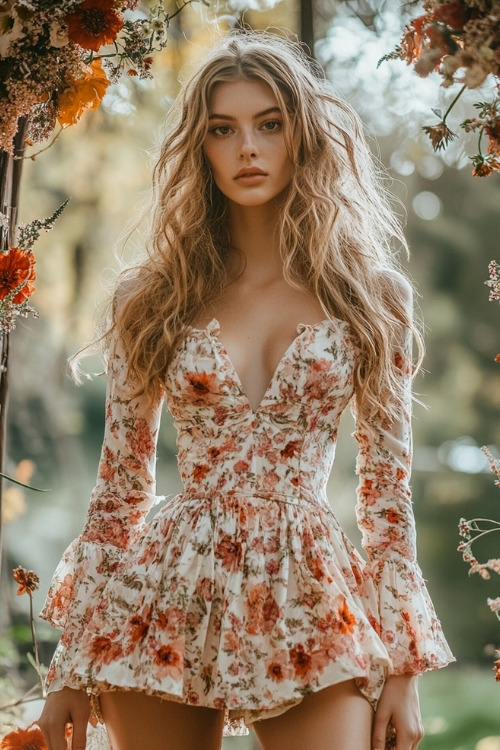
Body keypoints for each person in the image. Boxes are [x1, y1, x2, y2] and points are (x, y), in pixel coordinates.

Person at [38, 30, 454, 750]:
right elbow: (119, 493)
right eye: (222, 130)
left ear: (304, 135)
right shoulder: (154, 295)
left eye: (269, 124)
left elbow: (387, 497)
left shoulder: (369, 295)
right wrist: (70, 669)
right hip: (166, 586)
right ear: (199, 147)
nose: (247, 149)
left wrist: (406, 670)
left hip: (310, 591)